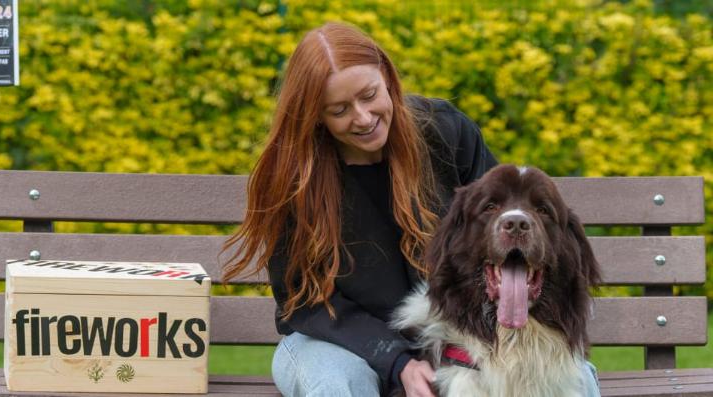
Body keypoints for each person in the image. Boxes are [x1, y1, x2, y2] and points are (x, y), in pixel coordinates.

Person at [221, 22, 600, 396]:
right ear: (314, 114)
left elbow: (499, 239)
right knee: (339, 382)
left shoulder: (445, 131)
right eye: (339, 110)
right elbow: (302, 304)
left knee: (575, 376)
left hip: (443, 337)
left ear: (387, 76)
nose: (364, 118)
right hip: (334, 343)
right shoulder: (293, 179)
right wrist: (396, 360)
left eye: (369, 95)